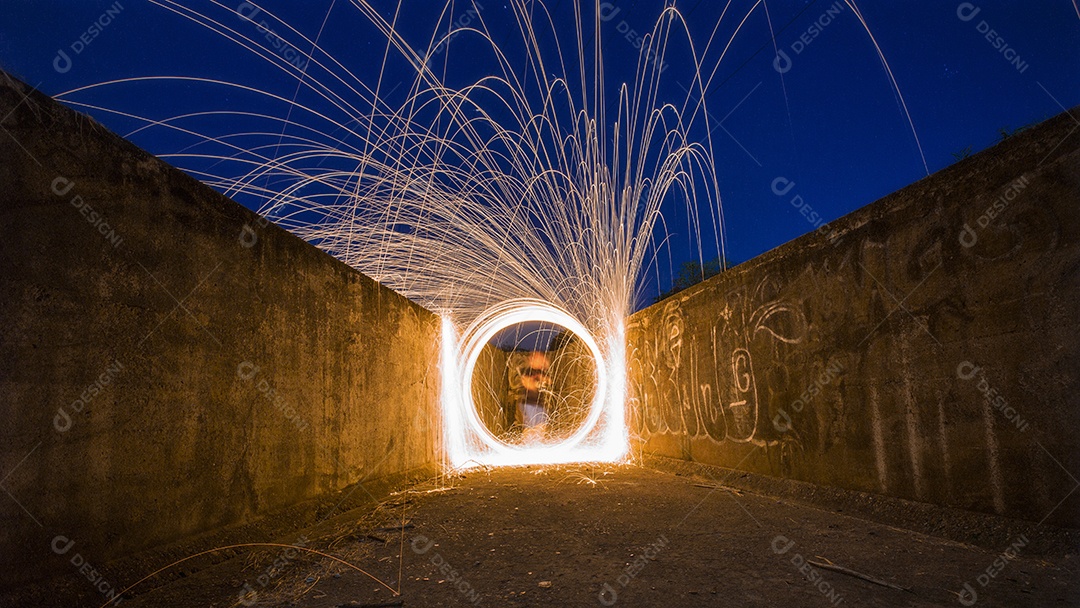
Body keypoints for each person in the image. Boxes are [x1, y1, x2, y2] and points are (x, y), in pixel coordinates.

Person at [516, 351, 550, 443]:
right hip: (529, 403)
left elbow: (548, 382)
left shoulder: (541, 372)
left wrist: (543, 378)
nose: (542, 361)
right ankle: (527, 445)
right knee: (531, 427)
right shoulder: (529, 371)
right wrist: (535, 380)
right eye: (538, 359)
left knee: (541, 426)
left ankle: (536, 445)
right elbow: (526, 383)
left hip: (539, 404)